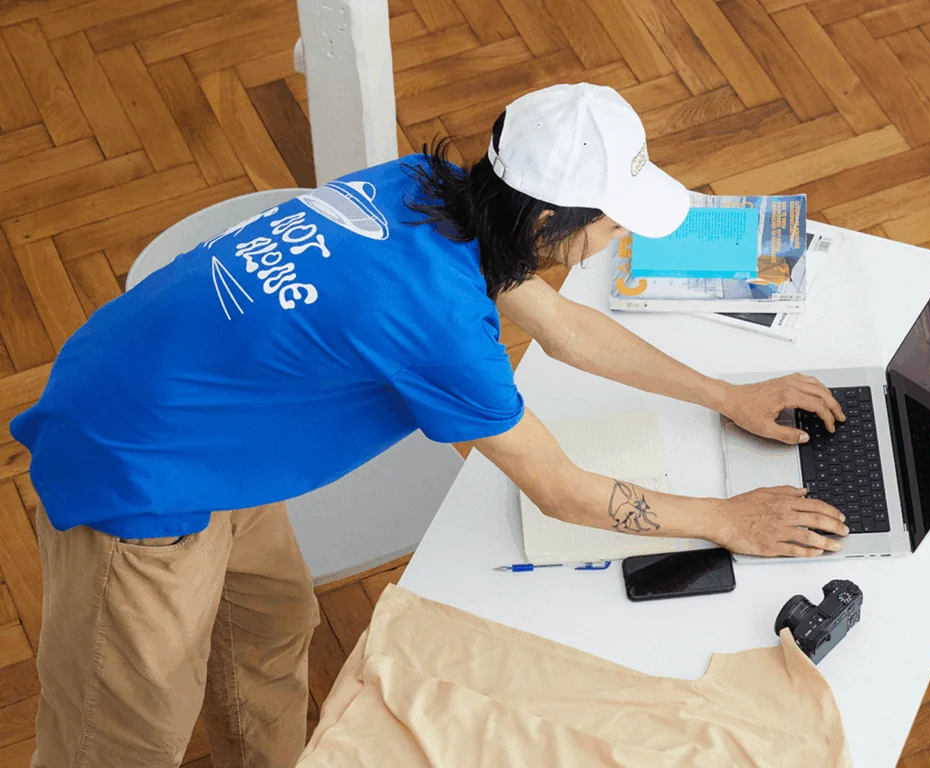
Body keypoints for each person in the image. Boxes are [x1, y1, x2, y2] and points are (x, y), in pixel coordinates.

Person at [10, 83, 848, 767]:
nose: (617, 235)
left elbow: (561, 327)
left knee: (266, 637)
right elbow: (559, 490)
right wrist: (729, 521)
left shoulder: (426, 191)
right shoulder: (437, 319)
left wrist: (726, 395)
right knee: (120, 739)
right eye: (611, 219)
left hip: (206, 425)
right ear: (547, 220)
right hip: (135, 473)